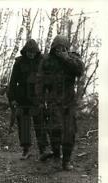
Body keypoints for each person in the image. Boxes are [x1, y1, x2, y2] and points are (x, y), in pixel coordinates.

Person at [36, 35, 84, 170]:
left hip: (69, 101)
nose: (60, 50)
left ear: (67, 48)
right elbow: (40, 81)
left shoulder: (73, 58)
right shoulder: (47, 60)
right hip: (53, 100)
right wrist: (40, 100)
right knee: (55, 129)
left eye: (63, 48)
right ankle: (57, 156)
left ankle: (66, 160)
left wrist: (66, 58)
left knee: (70, 131)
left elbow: (80, 71)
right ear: (53, 48)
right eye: (57, 48)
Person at [8, 39, 50, 160]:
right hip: (22, 98)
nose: (31, 54)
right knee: (24, 125)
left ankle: (43, 150)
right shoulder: (19, 62)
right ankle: (26, 150)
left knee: (40, 124)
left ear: (36, 52)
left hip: (37, 99)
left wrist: (45, 98)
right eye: (28, 52)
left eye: (33, 52)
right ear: (25, 51)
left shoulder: (42, 62)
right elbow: (13, 82)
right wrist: (12, 99)